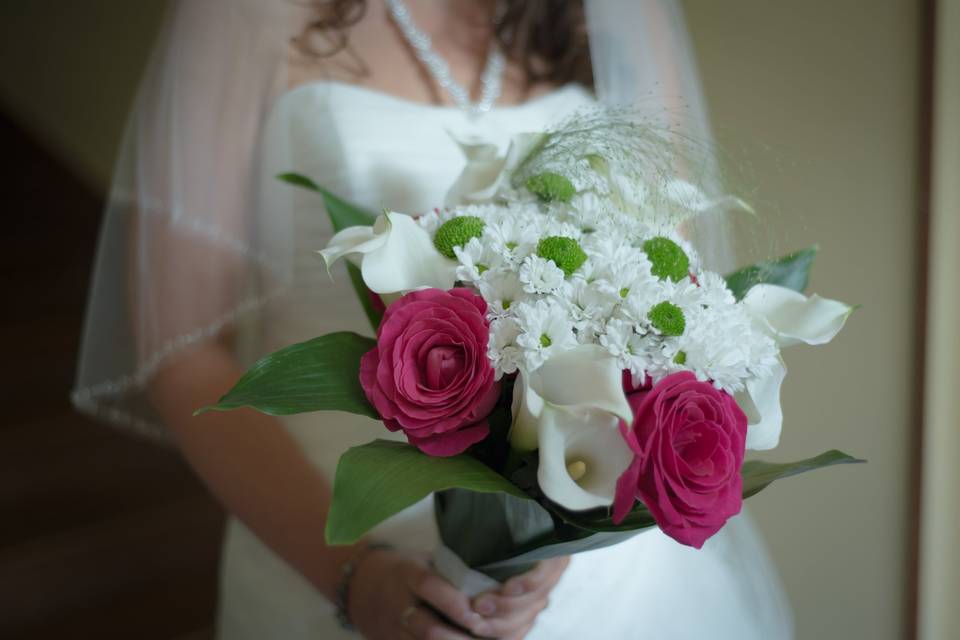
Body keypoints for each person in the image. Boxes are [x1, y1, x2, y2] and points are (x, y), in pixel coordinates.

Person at [72, 1, 793, 638]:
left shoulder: (603, 12)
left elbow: (669, 311)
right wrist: (356, 578)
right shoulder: (244, 12)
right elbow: (185, 352)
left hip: (606, 586)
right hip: (338, 532)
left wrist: (568, 535)